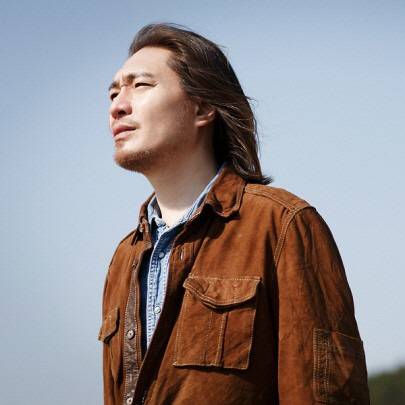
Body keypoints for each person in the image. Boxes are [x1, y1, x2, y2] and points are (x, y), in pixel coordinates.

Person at [99, 23, 370, 405]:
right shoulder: (123, 258)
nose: (117, 105)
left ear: (203, 107)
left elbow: (324, 395)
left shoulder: (282, 225)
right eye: (113, 92)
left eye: (140, 85)